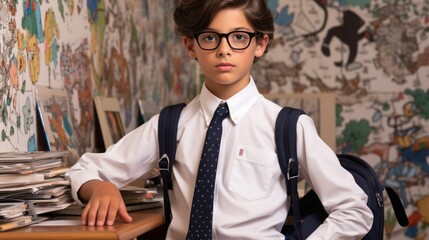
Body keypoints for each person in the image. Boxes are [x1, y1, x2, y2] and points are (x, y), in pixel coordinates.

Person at [66, 0, 373, 239]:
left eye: (239, 37)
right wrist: (100, 187)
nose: (224, 50)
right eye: (211, 37)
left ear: (260, 44)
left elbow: (354, 210)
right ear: (191, 46)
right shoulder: (169, 125)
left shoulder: (288, 127)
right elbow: (85, 168)